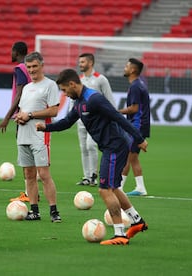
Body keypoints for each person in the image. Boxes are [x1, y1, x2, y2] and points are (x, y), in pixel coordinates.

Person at [36, 68, 148, 244]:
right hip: (110, 146)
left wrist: (139, 139)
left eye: (65, 90)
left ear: (72, 84)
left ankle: (119, 234)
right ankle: (137, 221)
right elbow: (66, 122)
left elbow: (117, 117)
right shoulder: (79, 102)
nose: (64, 93)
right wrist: (46, 127)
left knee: (104, 189)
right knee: (114, 187)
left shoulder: (94, 98)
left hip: (115, 146)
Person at [14, 51, 61, 222]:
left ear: (42, 65)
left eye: (34, 66)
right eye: (29, 67)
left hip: (40, 135)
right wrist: (19, 116)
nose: (32, 70)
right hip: (23, 135)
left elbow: (54, 110)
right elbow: (22, 110)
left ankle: (54, 211)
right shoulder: (26, 87)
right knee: (28, 174)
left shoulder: (50, 85)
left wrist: (31, 115)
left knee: (44, 174)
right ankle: (34, 211)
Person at [0, 41, 32, 202]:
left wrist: (6, 118)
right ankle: (31, 191)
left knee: (25, 155)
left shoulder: (20, 68)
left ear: (16, 52)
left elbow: (19, 94)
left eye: (11, 51)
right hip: (32, 114)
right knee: (31, 155)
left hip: (23, 116)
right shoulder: (30, 68)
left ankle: (29, 193)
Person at [75, 53, 116, 187]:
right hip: (81, 120)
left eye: (83, 62)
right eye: (80, 62)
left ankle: (94, 175)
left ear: (90, 63)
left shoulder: (101, 79)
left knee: (90, 145)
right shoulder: (79, 80)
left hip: (96, 121)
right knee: (83, 148)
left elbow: (109, 99)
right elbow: (74, 99)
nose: (80, 64)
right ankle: (86, 177)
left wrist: (112, 116)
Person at [119, 58, 150, 196]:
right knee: (133, 158)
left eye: (126, 66)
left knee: (127, 156)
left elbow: (134, 109)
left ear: (133, 70)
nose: (124, 68)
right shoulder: (138, 84)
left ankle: (118, 188)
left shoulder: (135, 86)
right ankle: (140, 187)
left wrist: (116, 112)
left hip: (137, 126)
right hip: (140, 125)